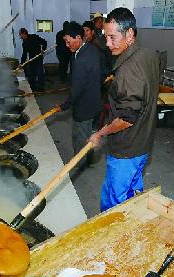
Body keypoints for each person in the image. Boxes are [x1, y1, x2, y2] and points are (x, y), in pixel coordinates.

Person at [88, 7, 159, 212]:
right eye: (105, 37)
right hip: (144, 142)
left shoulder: (129, 69)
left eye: (112, 37)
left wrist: (100, 133)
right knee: (133, 193)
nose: (108, 44)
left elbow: (127, 118)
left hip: (127, 147)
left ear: (129, 34)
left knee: (114, 200)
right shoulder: (147, 54)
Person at [60, 22, 102, 169]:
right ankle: (88, 159)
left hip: (84, 107)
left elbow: (76, 90)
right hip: (95, 103)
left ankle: (80, 164)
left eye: (68, 41)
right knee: (90, 135)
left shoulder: (80, 59)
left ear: (78, 37)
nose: (67, 45)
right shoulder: (92, 49)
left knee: (80, 137)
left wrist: (65, 105)